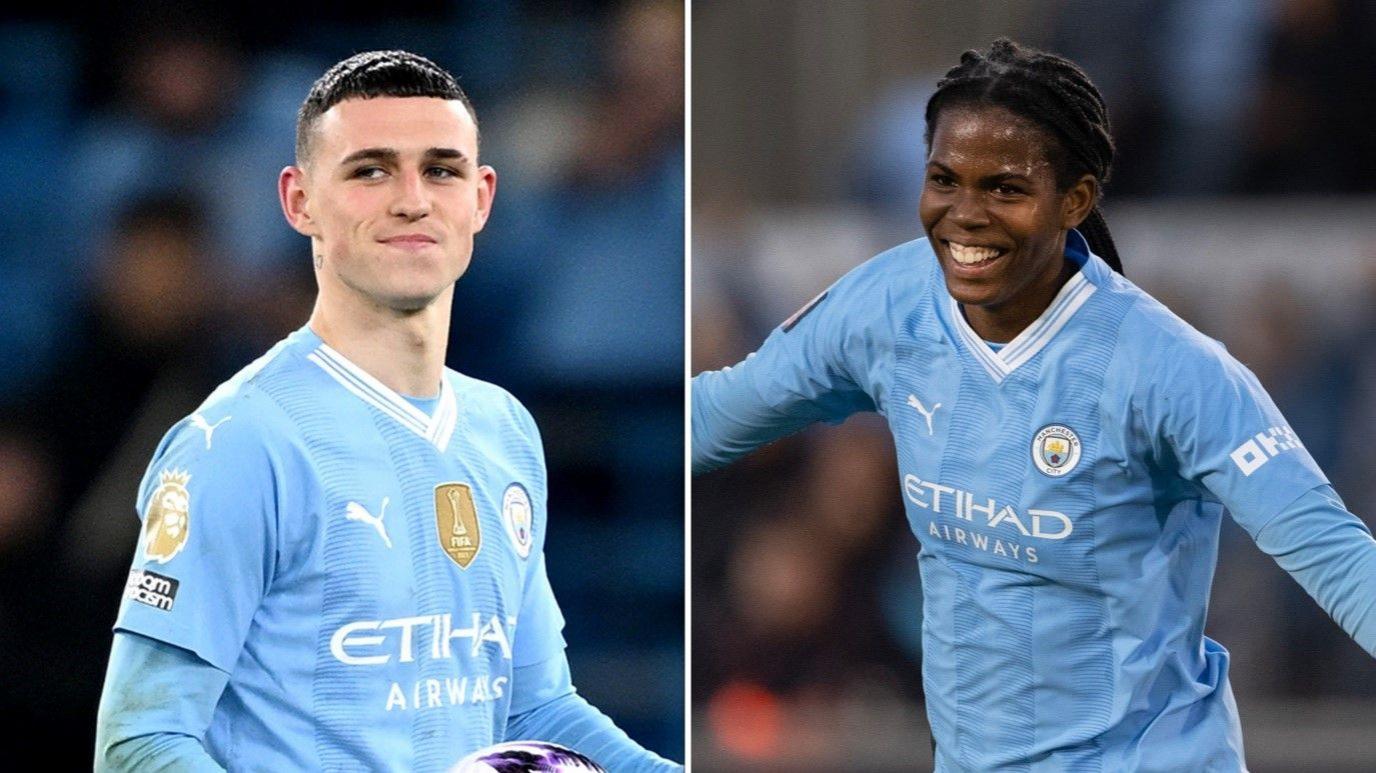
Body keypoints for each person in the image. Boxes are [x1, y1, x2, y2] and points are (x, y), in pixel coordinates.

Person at [693, 39, 1376, 770]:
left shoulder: (1173, 371)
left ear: (1075, 200)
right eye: (944, 179)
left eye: (1005, 189)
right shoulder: (888, 307)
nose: (965, 216)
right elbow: (709, 419)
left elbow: (1337, 556)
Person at [94, 50, 681, 772]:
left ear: (482, 197)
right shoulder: (241, 441)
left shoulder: (503, 428)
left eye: (441, 169)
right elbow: (140, 743)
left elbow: (534, 709)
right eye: (371, 169)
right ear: (299, 199)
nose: (412, 199)